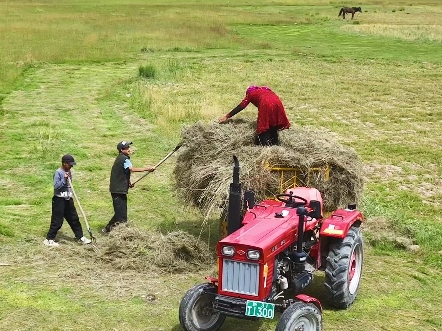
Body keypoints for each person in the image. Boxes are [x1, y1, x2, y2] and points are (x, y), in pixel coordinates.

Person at [102, 141, 155, 233]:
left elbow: (123, 173)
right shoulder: (124, 159)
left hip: (118, 189)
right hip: (118, 190)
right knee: (122, 215)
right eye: (127, 148)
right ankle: (121, 232)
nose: (129, 149)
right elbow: (132, 169)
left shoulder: (120, 158)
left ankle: (107, 229)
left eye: (129, 147)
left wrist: (128, 182)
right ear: (121, 150)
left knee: (120, 211)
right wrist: (147, 169)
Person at [43, 154, 92, 247]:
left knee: (74, 219)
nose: (71, 166)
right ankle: (49, 239)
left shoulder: (69, 171)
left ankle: (80, 237)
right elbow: (56, 186)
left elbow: (70, 185)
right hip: (59, 200)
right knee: (57, 221)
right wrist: (64, 180)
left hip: (68, 199)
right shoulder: (58, 172)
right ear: (64, 163)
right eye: (70, 164)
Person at [218, 85, 291, 146]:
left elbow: (241, 106)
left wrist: (227, 116)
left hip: (265, 104)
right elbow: (271, 99)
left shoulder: (251, 93)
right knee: (273, 123)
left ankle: (265, 146)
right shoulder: (266, 90)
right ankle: (275, 143)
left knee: (263, 126)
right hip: (278, 102)